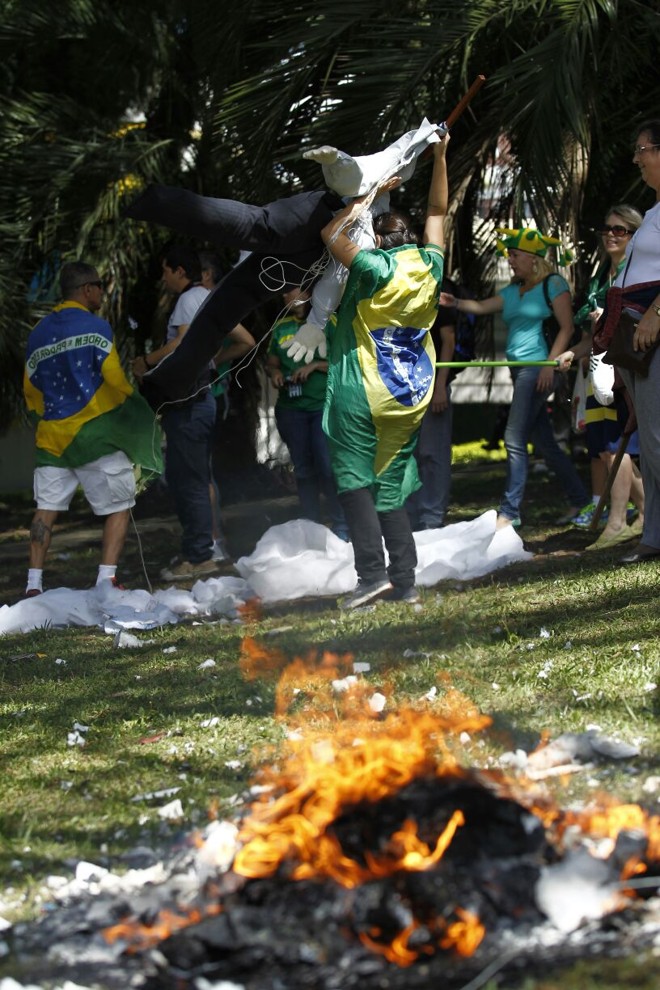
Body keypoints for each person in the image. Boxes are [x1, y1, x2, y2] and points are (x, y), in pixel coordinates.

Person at [123, 121, 443, 402]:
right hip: (310, 220)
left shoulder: (370, 260)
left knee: (228, 304)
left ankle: (162, 390)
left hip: (308, 259)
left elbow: (334, 278)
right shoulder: (378, 220)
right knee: (256, 226)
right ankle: (151, 201)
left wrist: (316, 323)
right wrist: (433, 148)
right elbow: (411, 189)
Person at [320, 137, 449, 608]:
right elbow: (438, 209)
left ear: (378, 240)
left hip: (364, 391)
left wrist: (363, 200)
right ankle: (407, 584)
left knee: (354, 480)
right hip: (409, 394)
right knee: (390, 488)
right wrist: (440, 156)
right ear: (412, 239)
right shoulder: (430, 265)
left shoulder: (374, 267)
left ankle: (372, 575)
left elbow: (331, 236)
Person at [23, 260, 163, 596]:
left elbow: (31, 392)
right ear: (87, 290)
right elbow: (115, 381)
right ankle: (106, 580)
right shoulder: (96, 327)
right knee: (119, 505)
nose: (102, 291)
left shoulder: (37, 333)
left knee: (46, 510)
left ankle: (32, 584)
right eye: (100, 285)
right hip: (95, 437)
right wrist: (136, 409)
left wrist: (49, 417)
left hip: (53, 440)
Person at [441, 227, 589, 528]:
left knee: (513, 437)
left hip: (537, 369)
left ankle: (509, 512)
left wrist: (550, 364)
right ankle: (581, 501)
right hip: (518, 370)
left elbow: (567, 328)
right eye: (509, 256)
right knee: (545, 444)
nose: (510, 260)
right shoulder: (512, 291)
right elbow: (482, 307)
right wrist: (454, 302)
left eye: (515, 255)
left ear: (534, 259)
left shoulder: (553, 284)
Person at [571, 122, 660, 564]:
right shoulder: (657, 210)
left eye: (642, 149)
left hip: (652, 335)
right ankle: (654, 536)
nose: (636, 158)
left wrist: (655, 312)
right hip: (634, 345)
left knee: (658, 441)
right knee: (651, 440)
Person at [560, 205, 645, 549]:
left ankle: (615, 522)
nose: (611, 234)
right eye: (608, 228)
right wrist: (570, 353)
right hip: (597, 372)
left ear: (636, 235)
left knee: (615, 447)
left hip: (626, 372)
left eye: (621, 230)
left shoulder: (639, 272)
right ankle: (646, 514)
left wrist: (610, 319)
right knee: (605, 448)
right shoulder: (600, 277)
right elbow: (589, 338)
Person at [133, 245, 219, 582]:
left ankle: (199, 556)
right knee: (190, 479)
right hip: (197, 400)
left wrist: (147, 362)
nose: (163, 278)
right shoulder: (206, 297)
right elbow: (236, 339)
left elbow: (181, 342)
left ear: (180, 271)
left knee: (190, 482)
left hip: (189, 405)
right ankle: (197, 550)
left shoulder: (187, 299)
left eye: (166, 270)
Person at [266, 288, 348, 540]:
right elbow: (271, 362)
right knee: (302, 469)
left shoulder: (329, 321)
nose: (287, 298)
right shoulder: (280, 327)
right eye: (284, 295)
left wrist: (315, 366)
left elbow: (344, 358)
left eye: (292, 292)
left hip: (322, 406)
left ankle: (342, 526)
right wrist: (275, 374)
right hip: (291, 410)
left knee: (326, 466)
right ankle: (312, 527)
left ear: (308, 292)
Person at [405, 281, 457, 530]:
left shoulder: (436, 286)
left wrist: (439, 386)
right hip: (401, 386)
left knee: (432, 453)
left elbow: (449, 340)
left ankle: (431, 515)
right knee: (408, 453)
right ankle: (411, 513)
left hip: (431, 382)